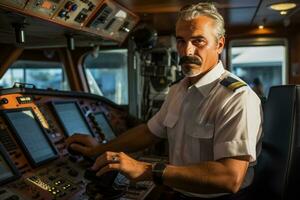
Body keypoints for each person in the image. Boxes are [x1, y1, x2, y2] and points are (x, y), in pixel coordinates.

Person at [66, 3, 262, 199]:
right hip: (180, 191)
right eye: (181, 41)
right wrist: (99, 149)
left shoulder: (237, 98)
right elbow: (149, 131)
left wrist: (146, 170)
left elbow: (230, 178)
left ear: (219, 44)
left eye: (198, 41)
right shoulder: (179, 89)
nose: (187, 51)